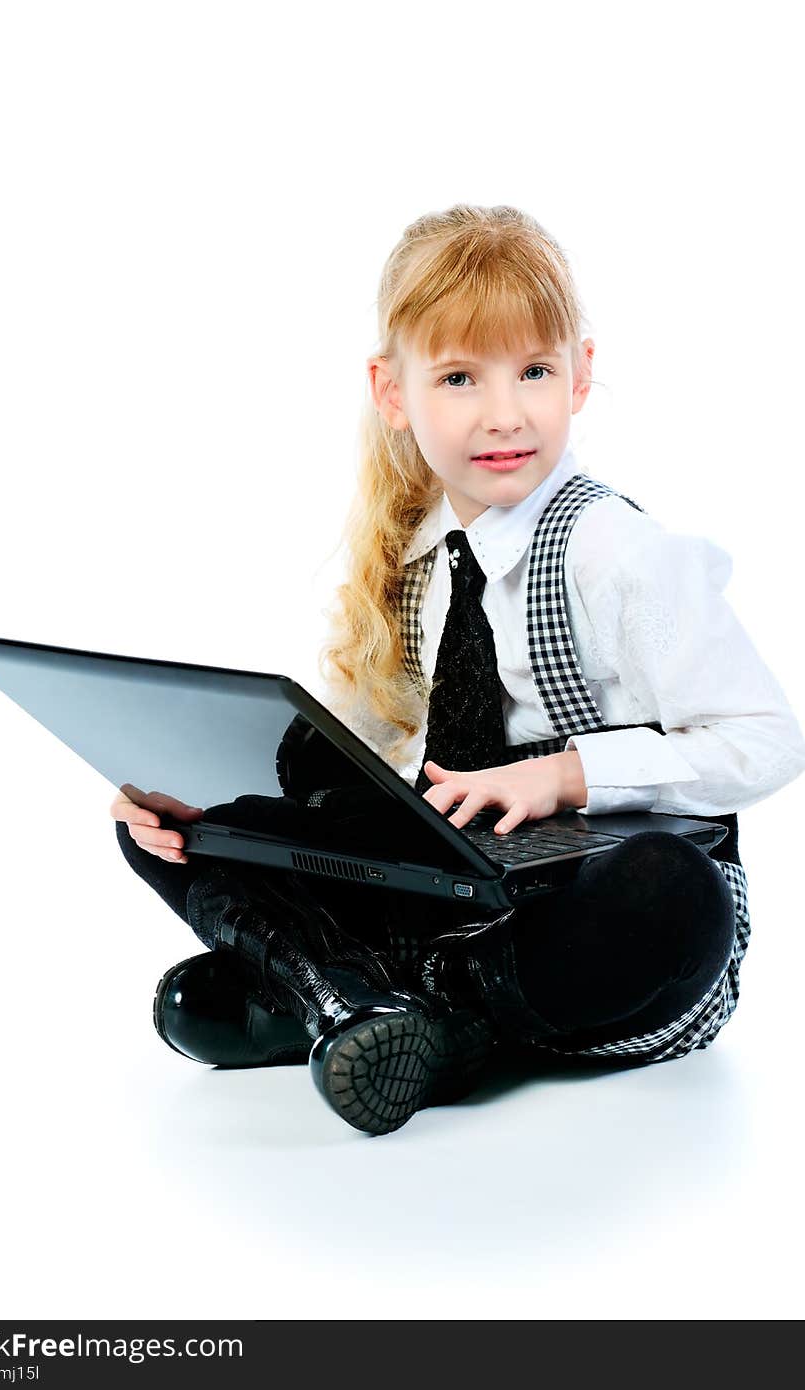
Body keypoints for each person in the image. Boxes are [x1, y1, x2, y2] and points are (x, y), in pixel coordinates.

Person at [112, 202, 805, 1138]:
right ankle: (358, 1002)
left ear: (581, 375)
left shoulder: (616, 554)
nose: (505, 412)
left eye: (533, 371)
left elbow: (766, 739)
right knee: (169, 828)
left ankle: (357, 995)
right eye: (459, 378)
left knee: (668, 891)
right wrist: (213, 808)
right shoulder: (414, 563)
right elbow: (350, 780)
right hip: (455, 886)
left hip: (580, 896)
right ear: (393, 393)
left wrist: (564, 775)